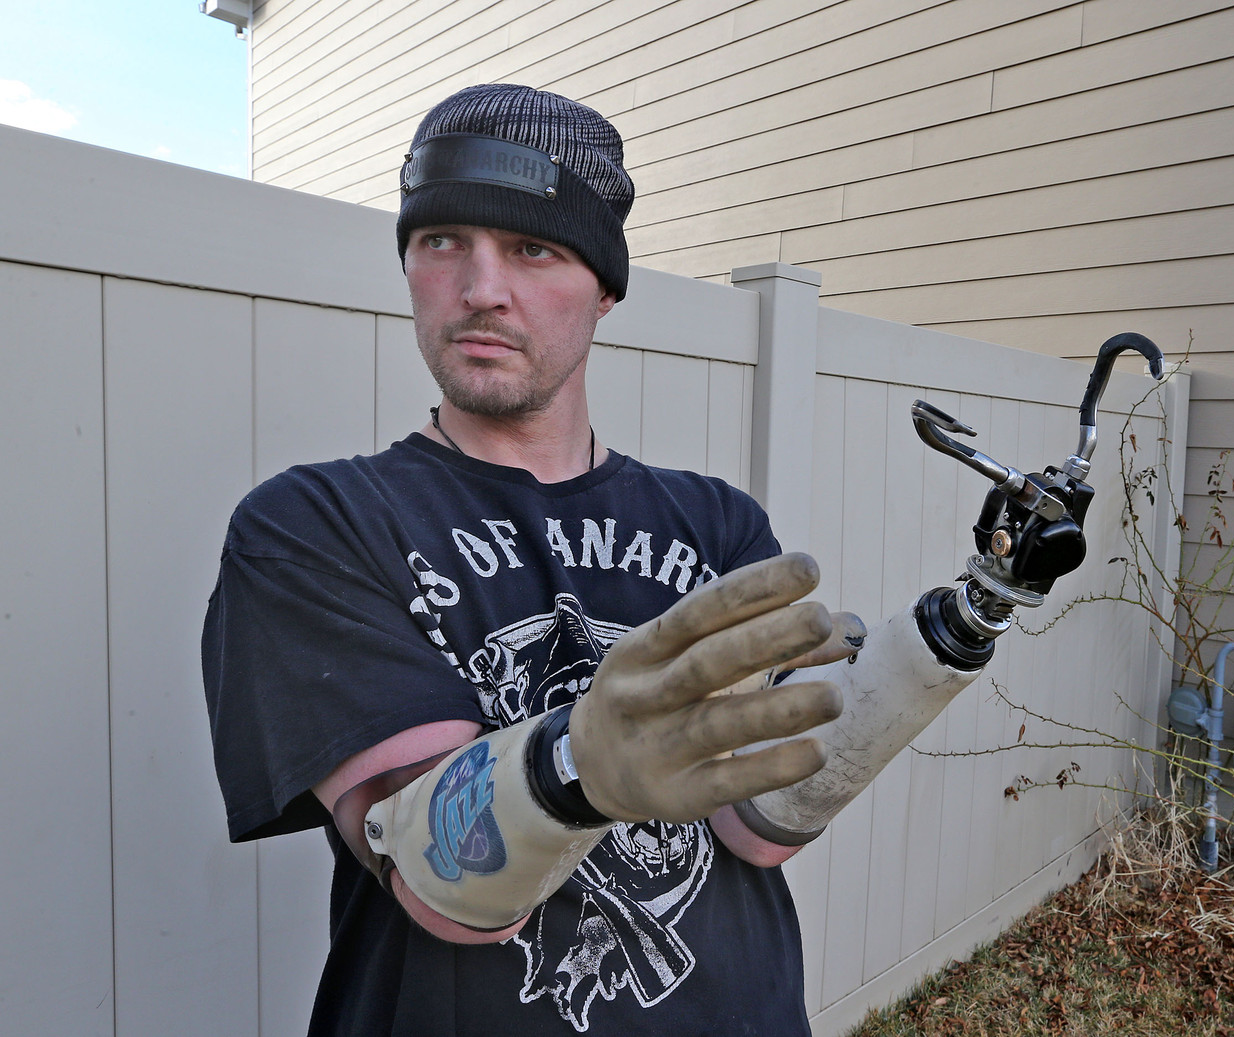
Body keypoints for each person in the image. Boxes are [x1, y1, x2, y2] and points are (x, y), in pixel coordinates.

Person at [203, 83, 985, 1036]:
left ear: (606, 288)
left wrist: (942, 645)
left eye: (534, 249)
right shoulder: (317, 525)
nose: (482, 286)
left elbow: (759, 827)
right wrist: (573, 766)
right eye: (442, 240)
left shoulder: (717, 524)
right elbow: (438, 885)